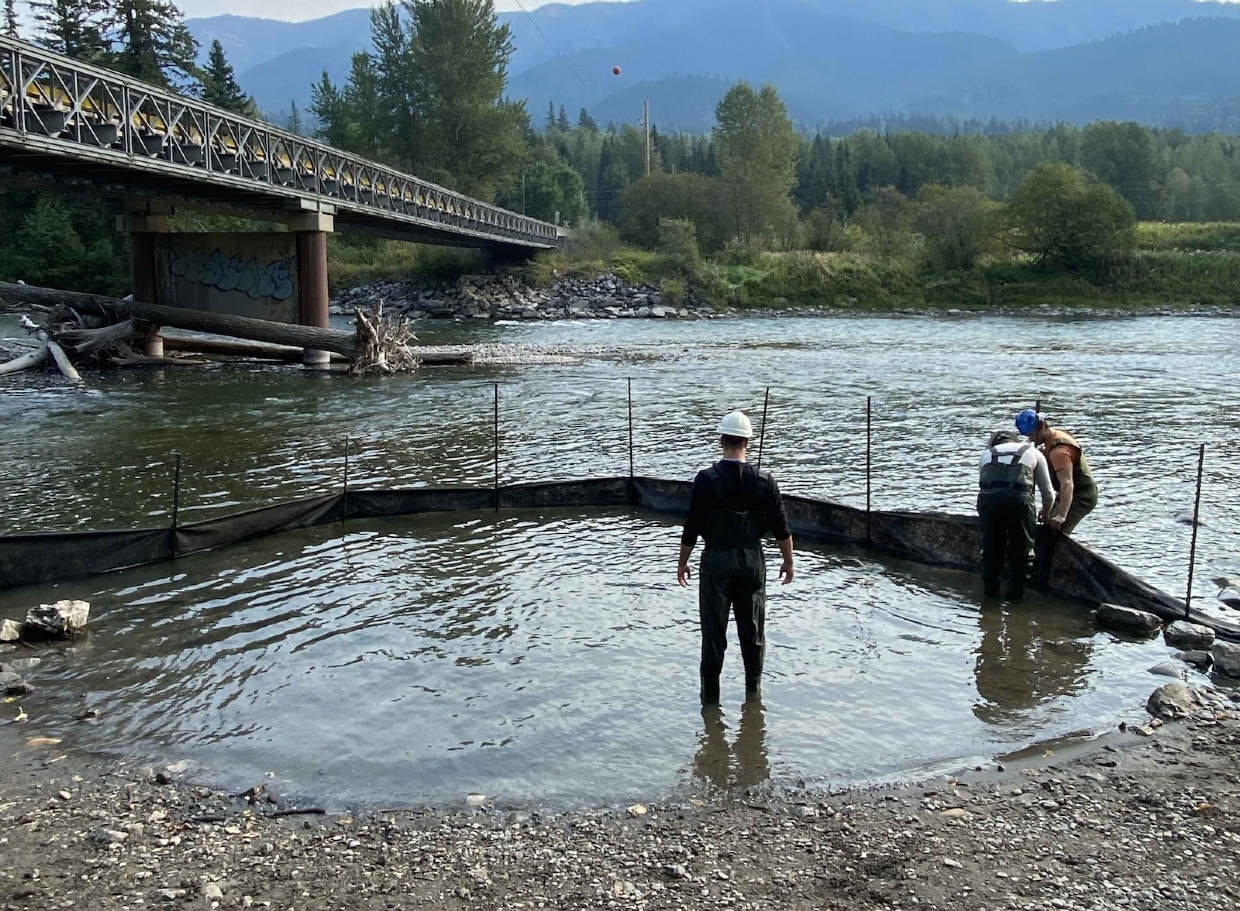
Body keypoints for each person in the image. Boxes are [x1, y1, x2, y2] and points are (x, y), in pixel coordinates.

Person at [678, 411, 794, 705]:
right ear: (748, 443)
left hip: (716, 560)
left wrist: (682, 562)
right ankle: (753, 698)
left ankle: (710, 703)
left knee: (713, 635)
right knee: (753, 633)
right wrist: (788, 561)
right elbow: (782, 528)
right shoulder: (765, 482)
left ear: (721, 441)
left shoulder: (705, 480)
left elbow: (691, 526)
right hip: (752, 562)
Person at [976, 428, 1055, 601]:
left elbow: (984, 487)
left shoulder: (986, 454)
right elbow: (1048, 494)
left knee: (991, 552)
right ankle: (1014, 601)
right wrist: (1047, 514)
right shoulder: (1033, 452)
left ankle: (990, 598)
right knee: (1022, 553)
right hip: (1020, 502)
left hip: (989, 503)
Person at [1016, 409, 1098, 535]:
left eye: (1032, 435)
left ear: (1042, 427)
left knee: (1055, 532)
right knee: (1047, 523)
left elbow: (1067, 484)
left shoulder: (1059, 451)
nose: (1030, 439)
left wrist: (1061, 515)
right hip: (1069, 492)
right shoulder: (1051, 441)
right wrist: (1046, 510)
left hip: (1082, 495)